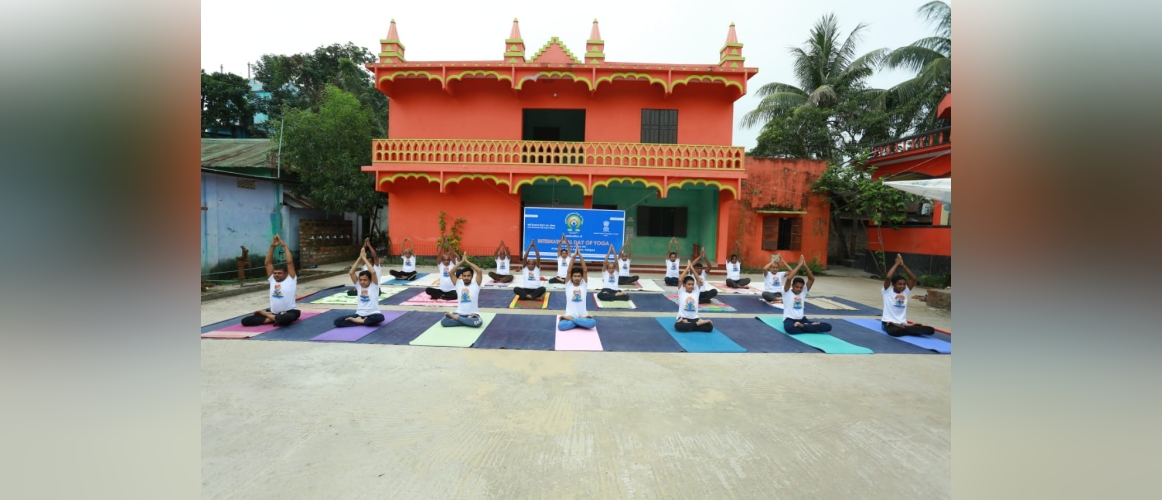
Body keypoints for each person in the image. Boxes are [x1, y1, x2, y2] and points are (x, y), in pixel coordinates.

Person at [240, 235, 301, 327]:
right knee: (245, 321)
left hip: (290, 312)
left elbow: (290, 262)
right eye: (275, 273)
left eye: (279, 273)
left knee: (286, 319)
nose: (276, 275)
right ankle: (275, 318)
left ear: (286, 273)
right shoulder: (272, 279)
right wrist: (272, 246)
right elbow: (267, 263)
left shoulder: (291, 279)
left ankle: (267, 315)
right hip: (274, 313)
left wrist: (284, 246)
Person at [881, 254, 936, 337]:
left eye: (904, 284)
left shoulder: (905, 292)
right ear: (893, 285)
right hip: (888, 323)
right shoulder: (887, 292)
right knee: (895, 332)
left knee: (931, 330)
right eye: (899, 284)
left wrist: (903, 265)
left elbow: (913, 278)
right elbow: (888, 277)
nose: (902, 286)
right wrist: (896, 264)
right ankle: (906, 328)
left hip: (902, 323)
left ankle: (905, 327)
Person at [781, 254, 832, 334]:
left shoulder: (803, 292)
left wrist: (805, 266)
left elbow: (811, 279)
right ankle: (809, 327)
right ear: (792, 286)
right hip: (789, 319)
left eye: (801, 287)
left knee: (828, 326)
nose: (799, 289)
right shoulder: (786, 292)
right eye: (797, 287)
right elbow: (789, 278)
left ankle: (802, 326)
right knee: (790, 329)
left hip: (802, 320)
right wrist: (799, 265)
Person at [334, 253, 386, 327]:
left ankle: (358, 321)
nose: (362, 282)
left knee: (380, 318)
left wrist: (364, 259)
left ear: (370, 280)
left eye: (365, 280)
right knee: (337, 321)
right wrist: (359, 258)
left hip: (372, 314)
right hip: (359, 314)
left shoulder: (374, 286)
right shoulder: (358, 286)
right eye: (360, 280)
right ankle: (362, 321)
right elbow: (351, 272)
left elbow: (373, 272)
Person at [441, 253, 484, 328]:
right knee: (444, 322)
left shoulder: (476, 285)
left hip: (472, 315)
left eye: (468, 276)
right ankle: (464, 321)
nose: (466, 278)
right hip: (459, 313)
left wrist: (467, 261)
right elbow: (451, 272)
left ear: (471, 277)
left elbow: (479, 271)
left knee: (478, 323)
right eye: (464, 276)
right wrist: (461, 262)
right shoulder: (458, 284)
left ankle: (457, 319)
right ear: (462, 276)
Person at [558, 247, 596, 330]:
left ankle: (574, 321)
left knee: (593, 323)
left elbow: (585, 270)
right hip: (571, 314)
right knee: (561, 326)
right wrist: (574, 256)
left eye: (579, 276)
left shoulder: (583, 285)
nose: (577, 278)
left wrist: (581, 256)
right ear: (571, 277)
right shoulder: (568, 286)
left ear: (581, 277)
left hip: (582, 315)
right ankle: (579, 321)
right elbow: (568, 271)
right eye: (575, 276)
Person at [674, 259, 714, 332]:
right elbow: (680, 279)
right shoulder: (681, 292)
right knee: (678, 326)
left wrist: (692, 268)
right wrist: (687, 268)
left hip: (694, 318)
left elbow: (698, 280)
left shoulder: (696, 292)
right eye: (689, 284)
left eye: (692, 284)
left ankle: (694, 325)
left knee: (709, 327)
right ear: (684, 285)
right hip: (683, 318)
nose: (691, 286)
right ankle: (697, 324)